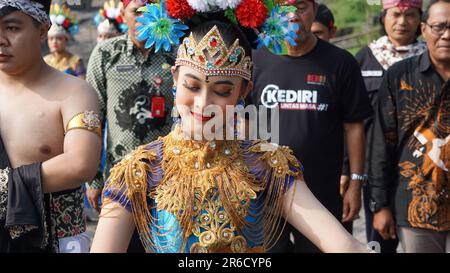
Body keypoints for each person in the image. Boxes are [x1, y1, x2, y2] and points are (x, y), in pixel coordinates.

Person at [90, 0, 370, 254]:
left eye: (222, 91)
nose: (203, 103)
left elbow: (342, 244)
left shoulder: (267, 165)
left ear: (243, 91)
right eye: (192, 86)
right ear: (175, 78)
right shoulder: (139, 170)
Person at [248, 0, 372, 252]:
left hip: (322, 195)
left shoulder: (341, 63)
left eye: (300, 7)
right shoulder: (256, 60)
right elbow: (244, 122)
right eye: (283, 7)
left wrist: (356, 183)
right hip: (265, 193)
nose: (292, 15)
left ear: (314, 9)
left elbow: (354, 127)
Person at [0, 0, 101, 253]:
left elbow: (80, 164)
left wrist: (5, 184)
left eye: (11, 28)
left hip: (51, 242)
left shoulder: (75, 93)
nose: (1, 39)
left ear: (43, 30)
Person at [86, 0, 176, 252]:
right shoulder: (105, 54)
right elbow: (92, 119)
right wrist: (93, 181)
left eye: (149, 12)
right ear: (123, 14)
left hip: (166, 180)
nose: (142, 18)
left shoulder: (174, 55)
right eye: (136, 12)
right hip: (119, 179)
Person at [344, 0, 426, 253]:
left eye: (410, 15)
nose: (402, 22)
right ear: (383, 18)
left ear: (420, 21)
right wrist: (347, 168)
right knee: (378, 243)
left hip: (423, 171)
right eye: (396, 14)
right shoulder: (365, 58)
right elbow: (350, 121)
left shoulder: (433, 58)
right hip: (375, 171)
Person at [369, 0, 450, 253]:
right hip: (417, 206)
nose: (447, 35)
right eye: (439, 27)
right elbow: (383, 142)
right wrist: (380, 205)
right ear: (424, 29)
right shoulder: (399, 76)